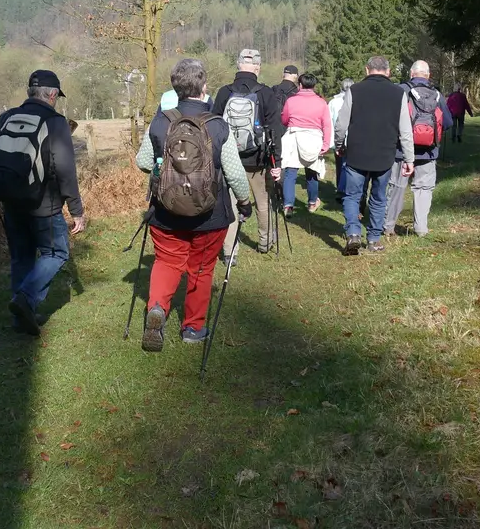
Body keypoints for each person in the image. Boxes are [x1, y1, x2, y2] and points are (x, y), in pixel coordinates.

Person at [133, 58, 254, 351]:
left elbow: (142, 162)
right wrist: (244, 202)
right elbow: (235, 173)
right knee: (201, 269)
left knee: (166, 262)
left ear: (176, 86)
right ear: (203, 86)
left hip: (166, 212)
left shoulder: (161, 121)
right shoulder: (217, 125)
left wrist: (166, 170)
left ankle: (158, 308)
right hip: (210, 216)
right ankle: (193, 329)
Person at [0, 69, 85, 336]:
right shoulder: (56, 122)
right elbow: (65, 169)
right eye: (57, 96)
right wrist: (77, 210)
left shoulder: (7, 117)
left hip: (10, 202)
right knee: (56, 253)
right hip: (44, 206)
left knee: (21, 257)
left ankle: (20, 318)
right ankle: (26, 299)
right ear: (52, 94)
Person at [332, 56, 414, 254]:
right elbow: (405, 129)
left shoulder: (354, 90)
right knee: (378, 198)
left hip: (357, 153)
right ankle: (374, 240)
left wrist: (339, 144)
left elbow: (341, 124)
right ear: (388, 72)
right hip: (384, 155)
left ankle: (353, 233)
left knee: (352, 196)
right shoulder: (398, 93)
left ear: (367, 70)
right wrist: (409, 158)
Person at [210, 49, 286, 254]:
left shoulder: (224, 92)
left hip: (229, 159)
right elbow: (276, 131)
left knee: (231, 205)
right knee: (262, 202)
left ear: (237, 65)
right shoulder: (266, 93)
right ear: (258, 67)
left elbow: (213, 126)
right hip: (258, 160)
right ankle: (264, 242)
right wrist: (277, 163)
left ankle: (229, 250)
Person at [385, 61, 451, 238]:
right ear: (428, 75)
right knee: (424, 188)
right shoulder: (437, 95)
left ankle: (388, 226)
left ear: (411, 73)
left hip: (401, 150)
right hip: (429, 152)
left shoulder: (400, 91)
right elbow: (447, 122)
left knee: (397, 186)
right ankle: (421, 228)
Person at [278, 73, 332, 215]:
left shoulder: (291, 100)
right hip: (313, 138)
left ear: (300, 85)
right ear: (314, 85)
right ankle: (312, 203)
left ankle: (288, 205)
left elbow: (284, 119)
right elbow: (327, 125)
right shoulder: (321, 102)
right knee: (311, 173)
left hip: (294, 137)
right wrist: (326, 144)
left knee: (290, 172)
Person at [327, 78, 353, 201]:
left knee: (340, 164)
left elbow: (328, 120)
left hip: (337, 137)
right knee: (348, 165)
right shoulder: (354, 100)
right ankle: (344, 189)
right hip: (351, 137)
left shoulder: (333, 102)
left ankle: (340, 188)